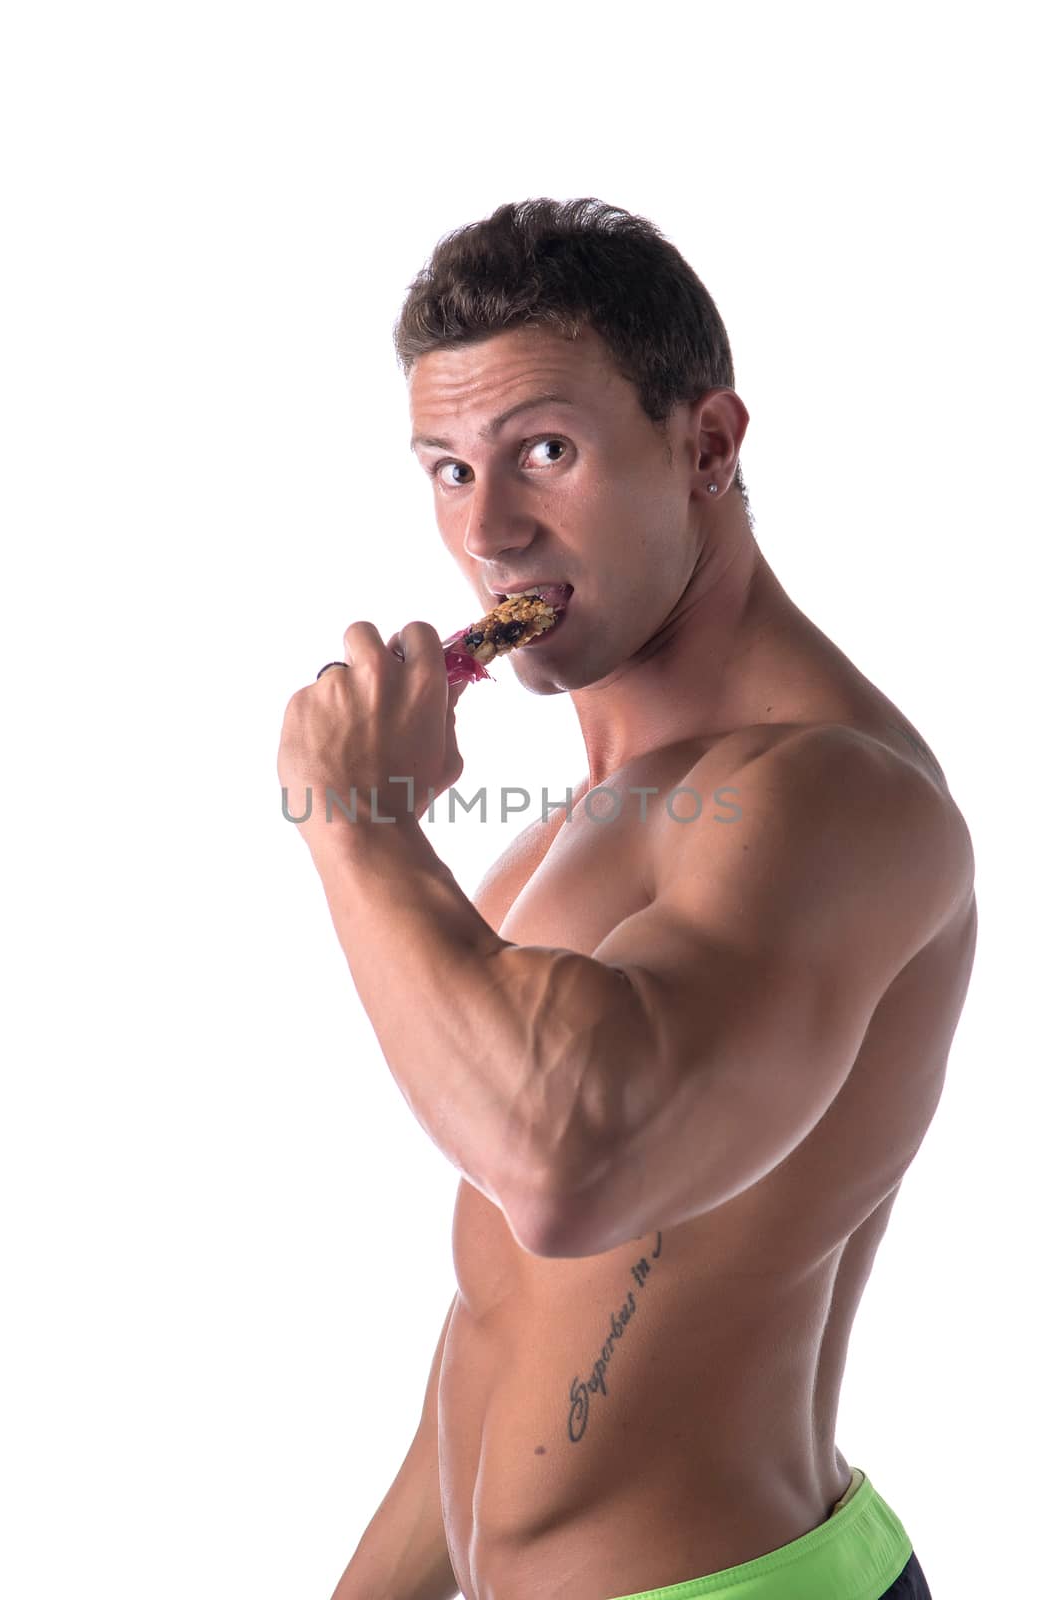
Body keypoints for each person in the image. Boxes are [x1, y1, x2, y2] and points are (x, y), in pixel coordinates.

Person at [278, 198, 976, 1600]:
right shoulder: (574, 830)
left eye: (545, 450)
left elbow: (567, 1167)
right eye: (447, 468)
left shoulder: (830, 800)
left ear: (707, 445)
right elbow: (505, 1325)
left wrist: (357, 828)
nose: (490, 527)